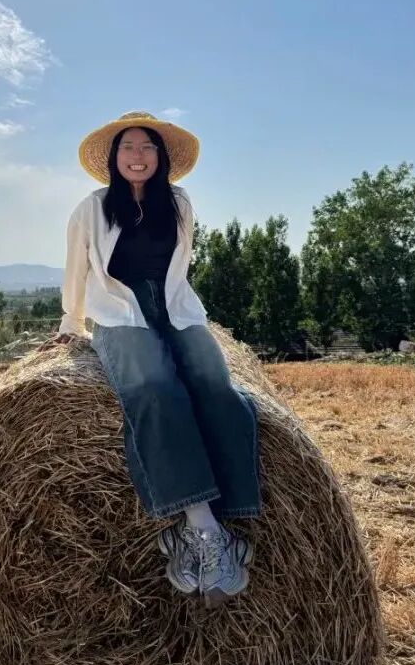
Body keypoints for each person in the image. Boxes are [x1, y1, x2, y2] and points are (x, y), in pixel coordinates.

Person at [39, 111, 262, 607]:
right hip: (119, 313)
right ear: (113, 158)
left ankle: (232, 516)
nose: (137, 156)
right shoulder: (92, 208)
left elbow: (179, 268)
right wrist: (71, 324)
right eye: (128, 148)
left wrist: (179, 318)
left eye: (147, 148)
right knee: (155, 390)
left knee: (216, 387)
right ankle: (203, 529)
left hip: (175, 308)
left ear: (160, 158)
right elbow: (76, 269)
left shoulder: (179, 203)